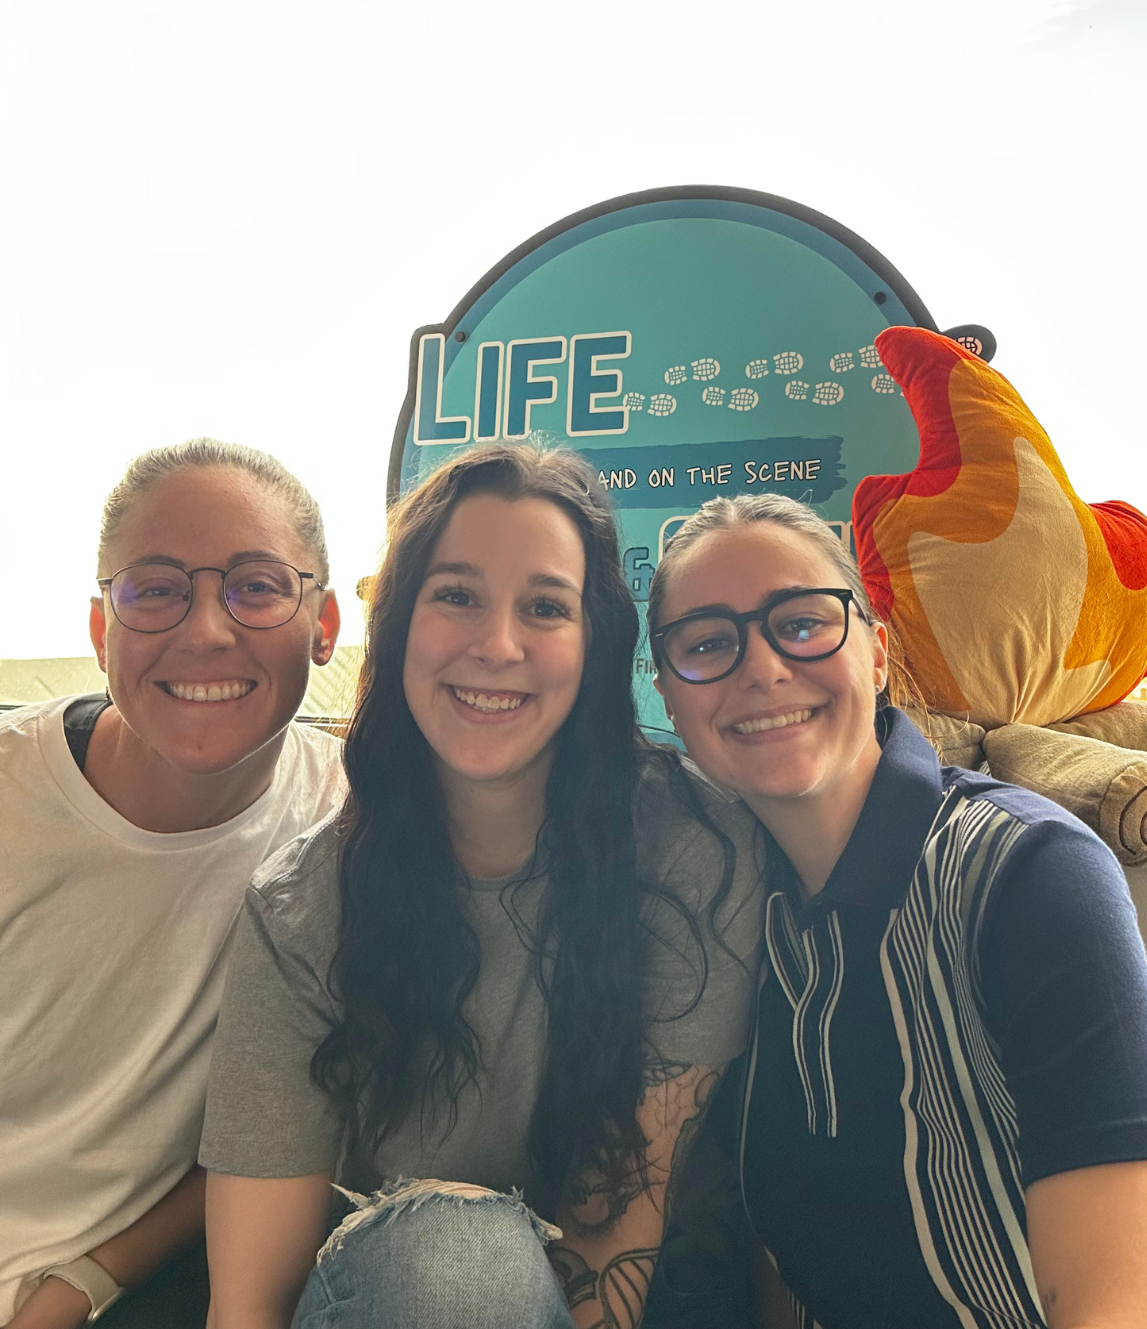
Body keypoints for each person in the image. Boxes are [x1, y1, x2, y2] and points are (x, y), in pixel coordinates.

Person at [200, 442, 765, 1329]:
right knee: (453, 1259)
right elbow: (248, 1301)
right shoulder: (304, 903)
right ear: (398, 623)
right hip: (395, 1290)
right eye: (456, 595)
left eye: (545, 607)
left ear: (594, 642)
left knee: (478, 1262)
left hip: (622, 1297)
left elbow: (621, 1230)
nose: (497, 646)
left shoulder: (693, 850)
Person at [647, 492, 1147, 1329]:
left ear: (873, 653)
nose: (760, 667)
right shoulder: (730, 913)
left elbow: (1144, 1300)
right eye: (708, 643)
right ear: (670, 698)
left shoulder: (1026, 869)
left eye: (800, 623)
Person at [1, 439, 344, 1329]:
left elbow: (293, 1114)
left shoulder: (352, 821)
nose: (205, 630)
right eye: (154, 589)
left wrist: (90, 1281)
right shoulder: (15, 801)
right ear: (100, 629)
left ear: (326, 625)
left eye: (257, 585)